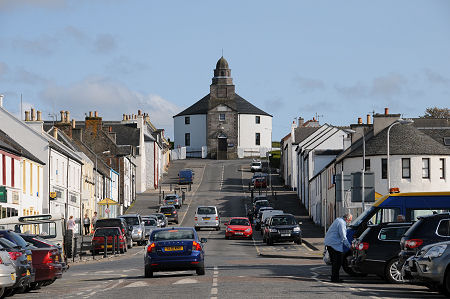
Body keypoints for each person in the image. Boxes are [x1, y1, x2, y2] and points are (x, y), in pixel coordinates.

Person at [324, 213, 352, 283]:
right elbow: (343, 236)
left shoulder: (338, 220)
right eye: (350, 220)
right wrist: (349, 246)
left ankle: (334, 277)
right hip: (334, 244)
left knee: (335, 262)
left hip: (331, 243)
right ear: (347, 219)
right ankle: (335, 278)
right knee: (338, 262)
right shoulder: (342, 223)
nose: (349, 222)